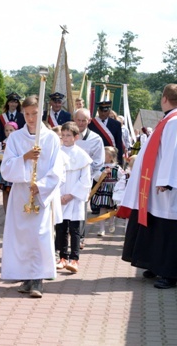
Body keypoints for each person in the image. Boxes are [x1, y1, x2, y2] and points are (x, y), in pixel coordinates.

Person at [117, 83, 177, 289]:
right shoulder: (170, 120)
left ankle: (170, 273)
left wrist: (167, 181)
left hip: (168, 190)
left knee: (169, 232)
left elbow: (174, 153)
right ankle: (154, 264)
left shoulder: (176, 122)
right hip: (155, 189)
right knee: (154, 227)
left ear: (164, 98)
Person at [0, 95, 64, 298]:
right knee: (23, 238)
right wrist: (25, 158)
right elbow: (6, 168)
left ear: (41, 113)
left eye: (34, 114)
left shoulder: (51, 138)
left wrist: (41, 185)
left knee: (40, 235)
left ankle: (38, 279)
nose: (30, 118)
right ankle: (27, 276)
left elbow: (58, 169)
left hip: (41, 195)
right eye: (26, 114)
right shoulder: (16, 138)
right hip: (21, 193)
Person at [55, 122, 91, 274]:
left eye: (68, 135)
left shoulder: (82, 155)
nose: (65, 138)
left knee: (75, 229)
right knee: (61, 228)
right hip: (60, 196)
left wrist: (71, 195)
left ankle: (74, 259)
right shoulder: (57, 152)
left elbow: (85, 180)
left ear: (76, 137)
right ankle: (62, 257)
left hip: (75, 198)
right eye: (63, 135)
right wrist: (58, 194)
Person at [73, 108, 105, 250]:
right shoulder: (66, 135)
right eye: (78, 120)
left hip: (84, 179)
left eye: (83, 120)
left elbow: (98, 162)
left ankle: (79, 237)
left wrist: (87, 177)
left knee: (80, 208)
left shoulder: (96, 139)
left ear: (89, 121)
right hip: (65, 179)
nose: (80, 123)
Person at [90, 146, 123, 236]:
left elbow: (122, 178)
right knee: (102, 209)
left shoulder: (117, 168)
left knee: (111, 209)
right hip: (103, 190)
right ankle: (101, 229)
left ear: (111, 157)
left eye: (104, 155)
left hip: (112, 191)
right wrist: (102, 173)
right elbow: (96, 178)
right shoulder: (102, 167)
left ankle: (112, 223)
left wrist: (119, 188)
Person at [0, 121, 18, 213]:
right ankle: (7, 214)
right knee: (5, 192)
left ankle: (14, 214)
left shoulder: (18, 143)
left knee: (14, 192)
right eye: (6, 130)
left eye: (11, 130)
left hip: (14, 170)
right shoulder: (2, 144)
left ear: (16, 130)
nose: (9, 132)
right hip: (4, 171)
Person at [88, 99, 124, 165]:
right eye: (101, 111)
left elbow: (118, 143)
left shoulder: (116, 124)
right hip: (95, 155)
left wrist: (119, 161)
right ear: (98, 111)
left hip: (109, 157)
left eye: (105, 111)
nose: (103, 113)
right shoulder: (91, 123)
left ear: (109, 111)